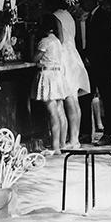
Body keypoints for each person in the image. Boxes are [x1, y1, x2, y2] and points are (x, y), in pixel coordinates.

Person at [77, 0, 111, 146]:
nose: (81, 5)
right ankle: (86, 132)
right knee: (86, 96)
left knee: (107, 98)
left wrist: (95, 57)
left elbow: (105, 41)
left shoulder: (103, 16)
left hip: (103, 63)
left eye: (83, 2)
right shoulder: (89, 18)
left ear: (90, 0)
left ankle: (108, 133)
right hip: (92, 63)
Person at [54, 8, 91, 146]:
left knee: (69, 98)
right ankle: (75, 137)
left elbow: (60, 38)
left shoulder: (56, 16)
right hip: (73, 54)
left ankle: (72, 139)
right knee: (74, 98)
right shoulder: (69, 15)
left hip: (64, 56)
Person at [32, 14, 68, 155]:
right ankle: (62, 143)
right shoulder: (57, 41)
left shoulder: (45, 42)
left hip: (48, 76)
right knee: (60, 110)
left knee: (52, 112)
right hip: (57, 76)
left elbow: (34, 58)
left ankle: (55, 146)